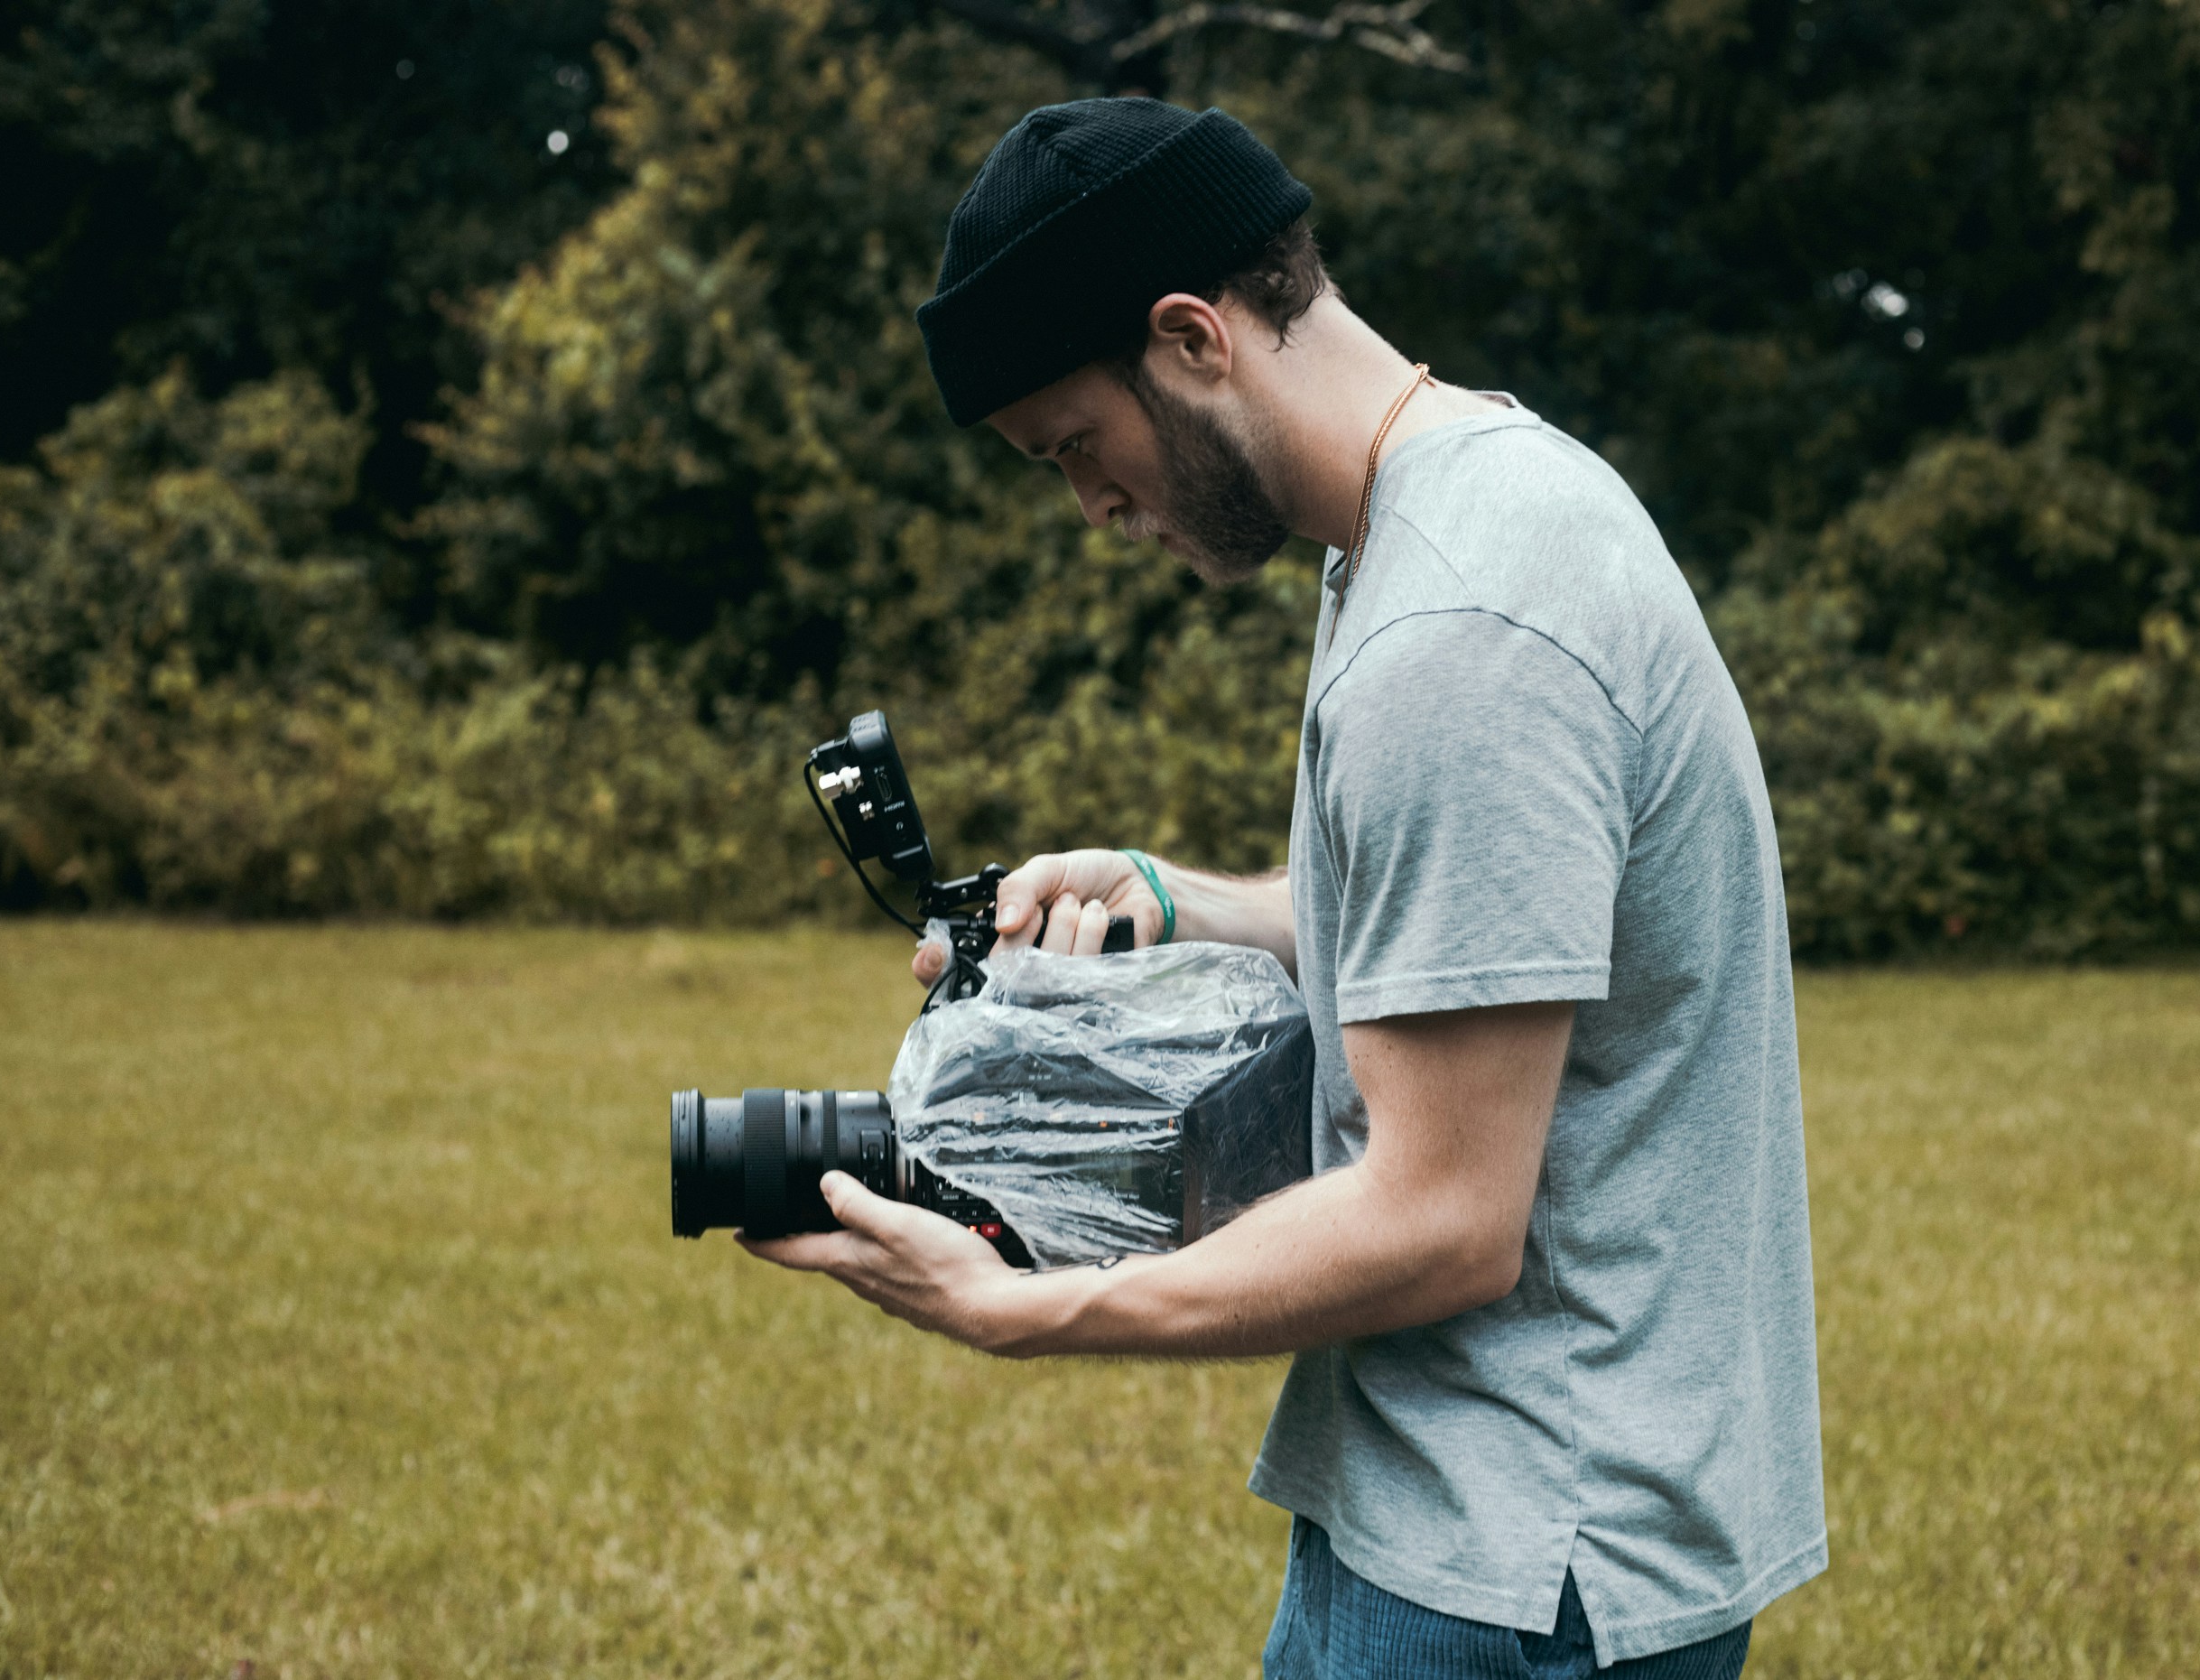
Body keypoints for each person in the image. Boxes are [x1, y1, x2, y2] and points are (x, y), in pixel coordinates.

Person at [740, 97, 1825, 1678]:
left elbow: (1447, 1217)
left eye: (1076, 450)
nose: (1096, 510)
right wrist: (1179, 899)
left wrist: (1028, 1305)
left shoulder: (1460, 632)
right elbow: (1460, 947)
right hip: (1485, 1507)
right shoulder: (1464, 513)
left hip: (1517, 1561)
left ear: (1189, 337)